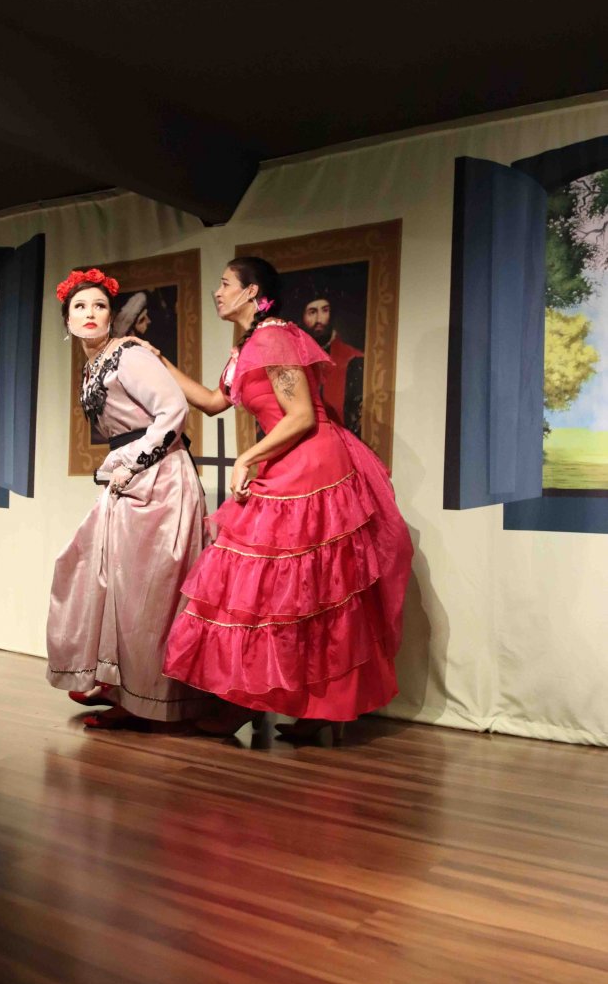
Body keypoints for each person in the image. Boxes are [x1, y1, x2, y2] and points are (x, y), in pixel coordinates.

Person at [135, 257, 413, 740]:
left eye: (225, 283)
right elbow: (213, 402)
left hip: (313, 462)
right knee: (285, 592)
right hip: (288, 459)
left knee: (307, 590)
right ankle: (269, 701)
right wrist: (158, 360)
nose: (218, 291)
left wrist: (247, 458)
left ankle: (302, 707)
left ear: (251, 291)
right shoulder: (247, 346)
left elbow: (301, 415)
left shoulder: (274, 337)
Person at [46, 268, 214, 731]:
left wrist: (133, 462)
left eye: (99, 306)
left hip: (160, 479)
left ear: (111, 316)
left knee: (147, 594)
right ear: (67, 320)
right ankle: (121, 685)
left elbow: (173, 411)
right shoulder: (93, 365)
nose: (90, 313)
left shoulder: (128, 355)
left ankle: (152, 699)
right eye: (80, 307)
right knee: (110, 582)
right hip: (130, 480)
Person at [296, 283, 364, 436]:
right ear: (302, 317)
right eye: (312, 312)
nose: (319, 319)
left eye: (325, 310)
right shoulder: (292, 359)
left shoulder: (353, 359)